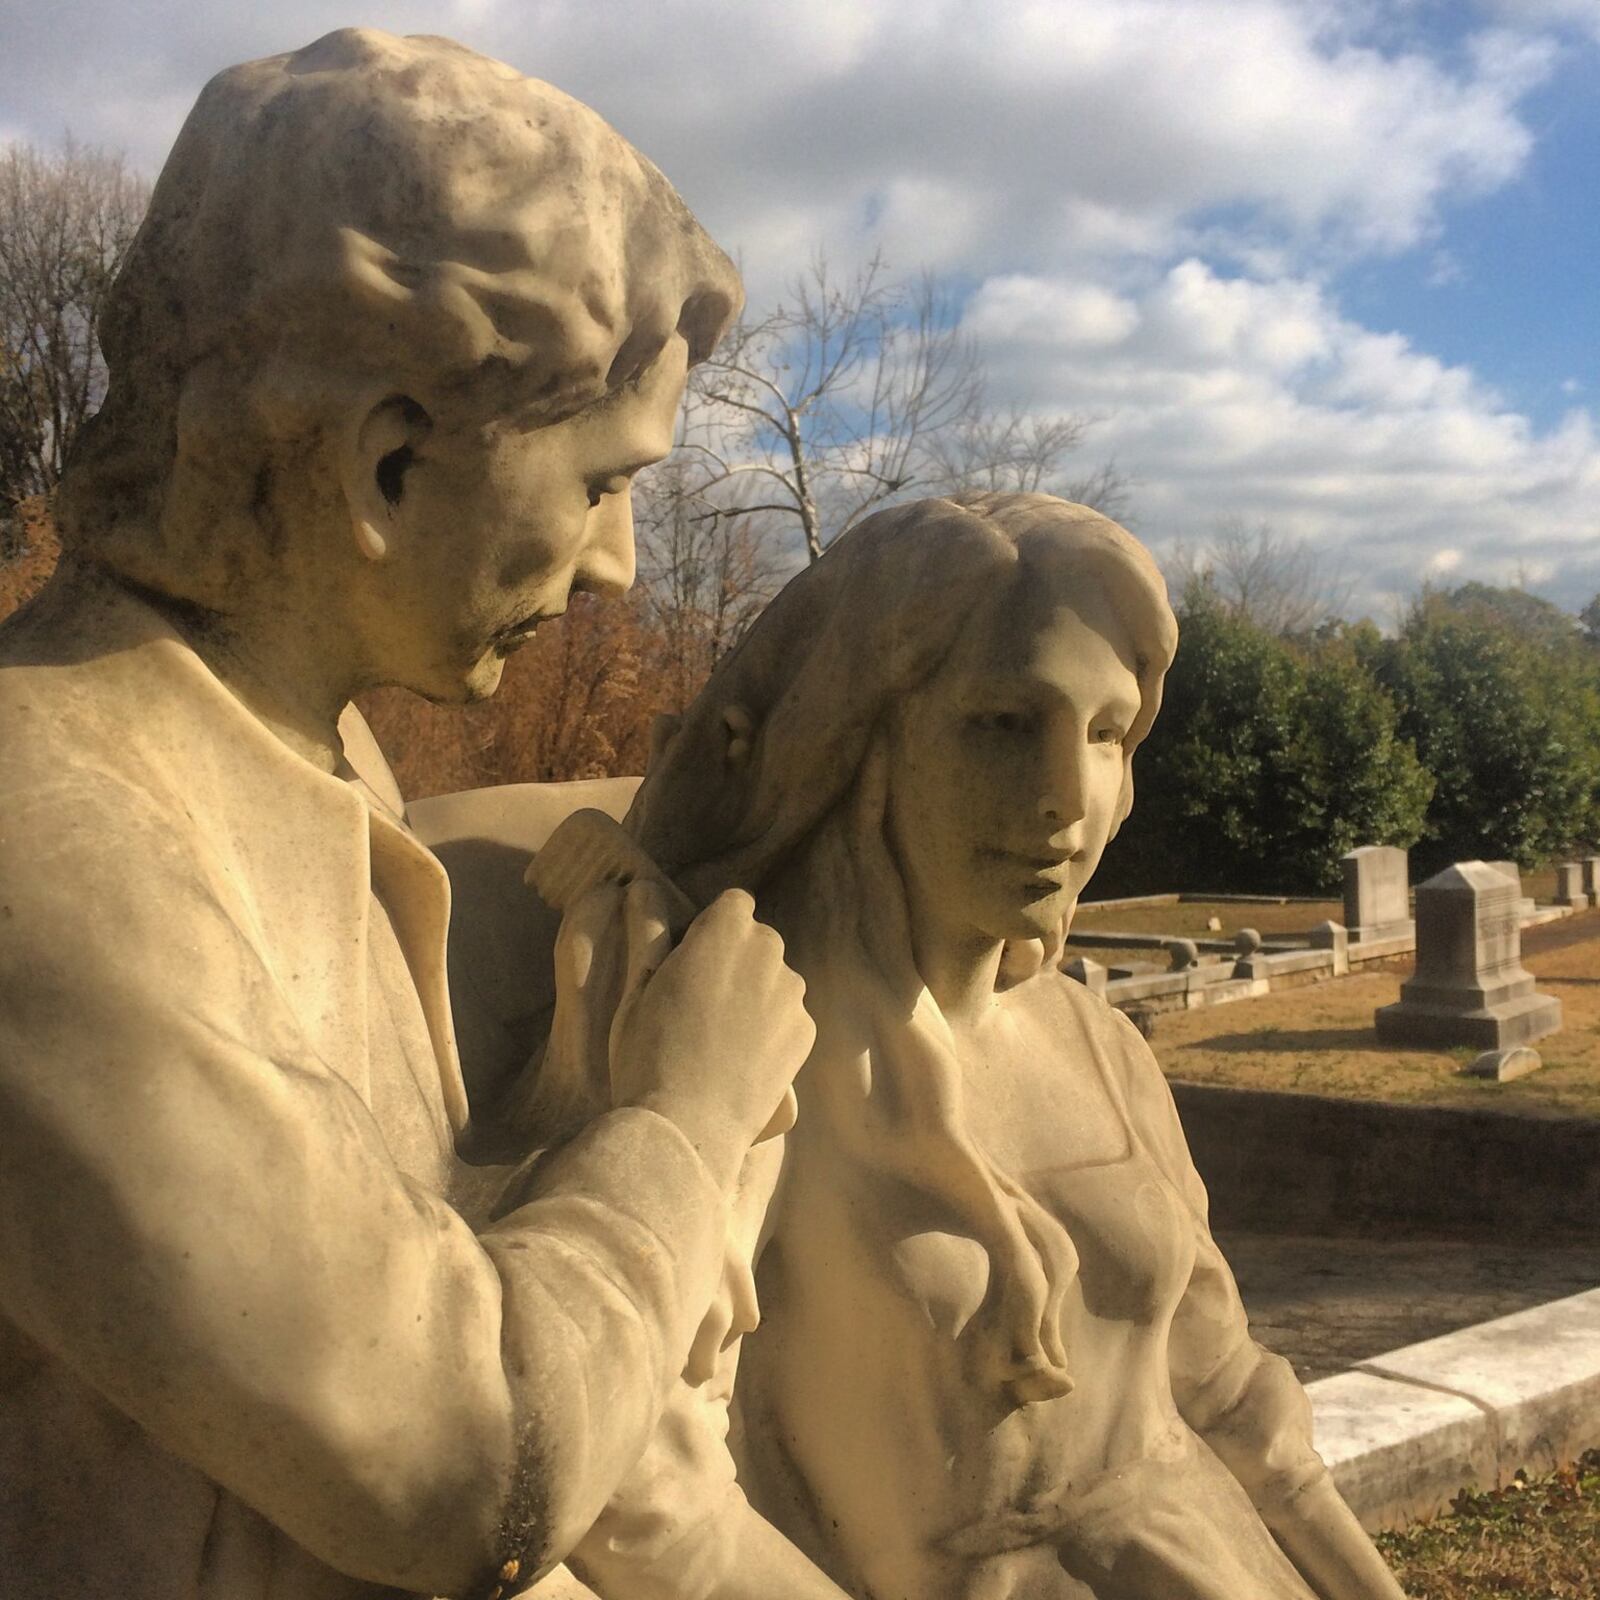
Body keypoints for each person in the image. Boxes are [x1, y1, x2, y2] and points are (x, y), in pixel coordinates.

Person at [0, 30, 815, 1600]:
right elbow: (459, 1462)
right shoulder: (53, 833)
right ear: (385, 464)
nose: (618, 570)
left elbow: (394, 1248)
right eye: (598, 485)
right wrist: (683, 1119)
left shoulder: (314, 753)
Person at [556, 491, 1407, 1599]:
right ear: (864, 736)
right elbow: (649, 1486)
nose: (1069, 798)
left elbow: (1233, 1397)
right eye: (1006, 722)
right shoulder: (740, 1044)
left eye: (1106, 734)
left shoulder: (1097, 1043)